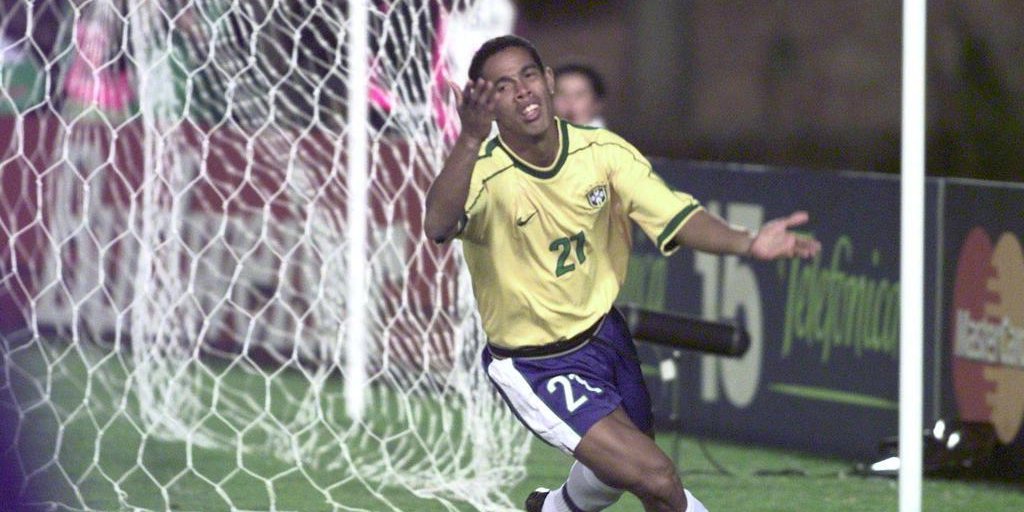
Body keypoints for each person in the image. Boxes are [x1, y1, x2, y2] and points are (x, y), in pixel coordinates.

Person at [423, 35, 820, 512]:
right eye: (504, 86)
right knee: (655, 476)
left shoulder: (603, 153)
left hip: (604, 338)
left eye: (529, 75)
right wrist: (469, 139)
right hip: (537, 363)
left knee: (612, 477)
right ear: (486, 102)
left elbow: (676, 216)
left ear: (549, 81)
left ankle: (551, 509)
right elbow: (438, 224)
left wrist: (749, 241)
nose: (523, 91)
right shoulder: (484, 174)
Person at [554, 63, 607, 127]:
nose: (570, 102)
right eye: (562, 94)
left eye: (579, 95)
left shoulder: (606, 136)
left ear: (596, 104)